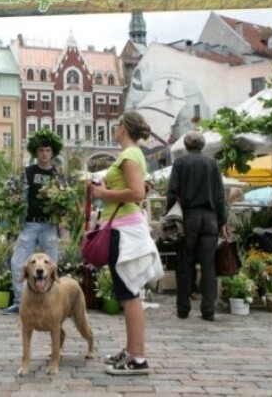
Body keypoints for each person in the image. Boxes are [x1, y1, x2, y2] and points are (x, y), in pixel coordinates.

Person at [91, 111, 163, 375]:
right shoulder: (132, 155)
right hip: (122, 226)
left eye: (117, 124)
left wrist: (103, 192)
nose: (114, 128)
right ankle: (132, 350)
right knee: (127, 294)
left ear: (124, 128)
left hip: (123, 229)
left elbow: (137, 193)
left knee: (129, 294)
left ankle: (138, 357)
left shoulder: (130, 155)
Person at [167, 131, 227, 323]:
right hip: (210, 218)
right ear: (202, 145)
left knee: (185, 263)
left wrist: (170, 216)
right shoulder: (212, 164)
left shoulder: (180, 163)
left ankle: (183, 308)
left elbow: (172, 191)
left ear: (185, 145)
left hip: (189, 217)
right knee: (208, 265)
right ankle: (208, 310)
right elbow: (219, 195)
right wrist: (222, 221)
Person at [2, 128, 63, 315]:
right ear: (36, 153)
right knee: (18, 261)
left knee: (51, 265)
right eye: (41, 151)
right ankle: (20, 302)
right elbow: (14, 193)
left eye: (47, 151)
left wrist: (62, 206)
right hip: (29, 224)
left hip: (49, 225)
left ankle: (51, 302)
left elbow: (65, 197)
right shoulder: (27, 172)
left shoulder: (58, 174)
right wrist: (14, 202)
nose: (44, 154)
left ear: (52, 153)